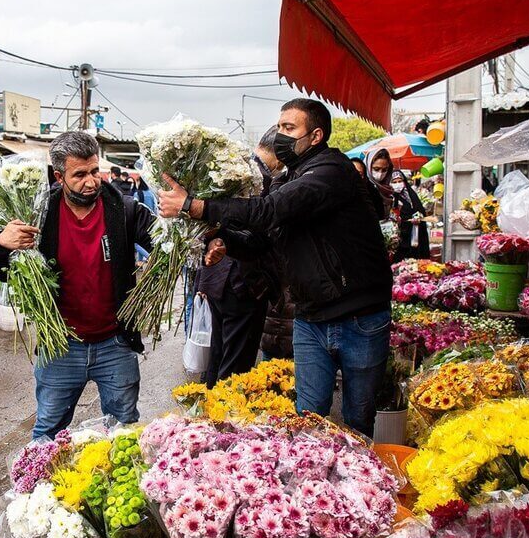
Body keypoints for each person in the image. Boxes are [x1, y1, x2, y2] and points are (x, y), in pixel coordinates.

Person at [157, 98, 392, 437]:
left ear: (315, 136)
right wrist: (224, 240)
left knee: (357, 419)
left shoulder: (330, 171)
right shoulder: (290, 178)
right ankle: (314, 484)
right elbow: (263, 240)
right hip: (311, 317)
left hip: (358, 316)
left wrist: (196, 206)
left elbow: (268, 210)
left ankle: (360, 483)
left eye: (289, 128)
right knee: (307, 420)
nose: (280, 134)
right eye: (279, 126)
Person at [0, 132, 155, 439]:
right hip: (60, 346)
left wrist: (192, 229)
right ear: (59, 176)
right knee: (48, 434)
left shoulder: (125, 209)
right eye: (79, 175)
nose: (91, 181)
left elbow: (162, 241)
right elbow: (0, 270)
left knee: (125, 433)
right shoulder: (37, 213)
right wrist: (1, 243)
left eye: (95, 171)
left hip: (115, 345)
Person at [195, 126, 281, 387]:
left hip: (219, 280)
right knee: (235, 367)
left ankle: (209, 415)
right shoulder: (256, 179)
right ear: (279, 154)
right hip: (241, 283)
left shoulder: (231, 169)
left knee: (219, 356)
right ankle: (223, 420)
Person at [390, 170, 430, 261]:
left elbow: (420, 209)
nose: (398, 184)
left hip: (416, 235)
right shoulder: (390, 197)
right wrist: (406, 221)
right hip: (400, 238)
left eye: (400, 181)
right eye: (394, 182)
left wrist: (419, 216)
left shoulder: (411, 195)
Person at [363, 148, 393, 221]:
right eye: (376, 169)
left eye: (384, 170)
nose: (380, 173)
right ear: (368, 167)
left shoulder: (388, 190)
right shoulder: (363, 189)